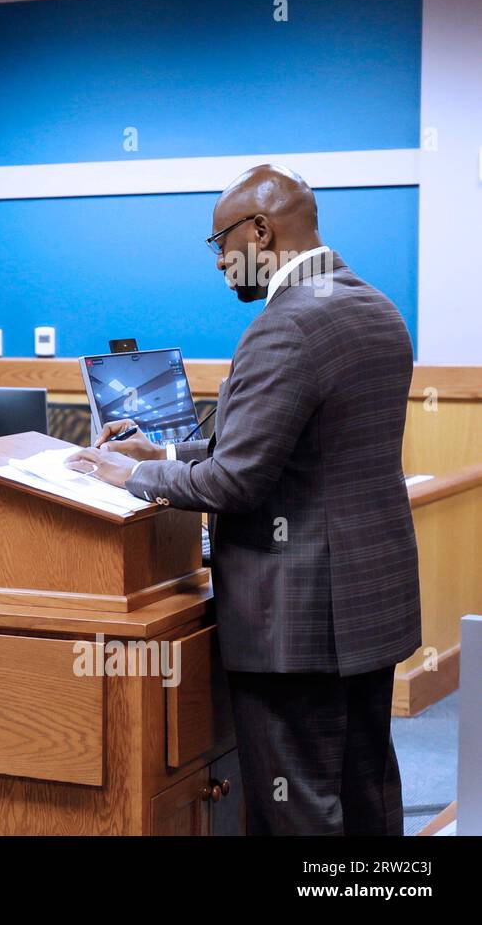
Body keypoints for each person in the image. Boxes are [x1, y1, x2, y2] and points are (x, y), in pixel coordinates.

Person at [67, 164, 420, 835]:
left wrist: (125, 477)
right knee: (367, 794)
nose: (221, 263)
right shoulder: (374, 306)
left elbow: (237, 483)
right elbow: (291, 452)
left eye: (221, 244)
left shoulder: (285, 326)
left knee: (299, 815)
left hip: (298, 623)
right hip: (370, 609)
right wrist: (163, 455)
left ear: (260, 231)